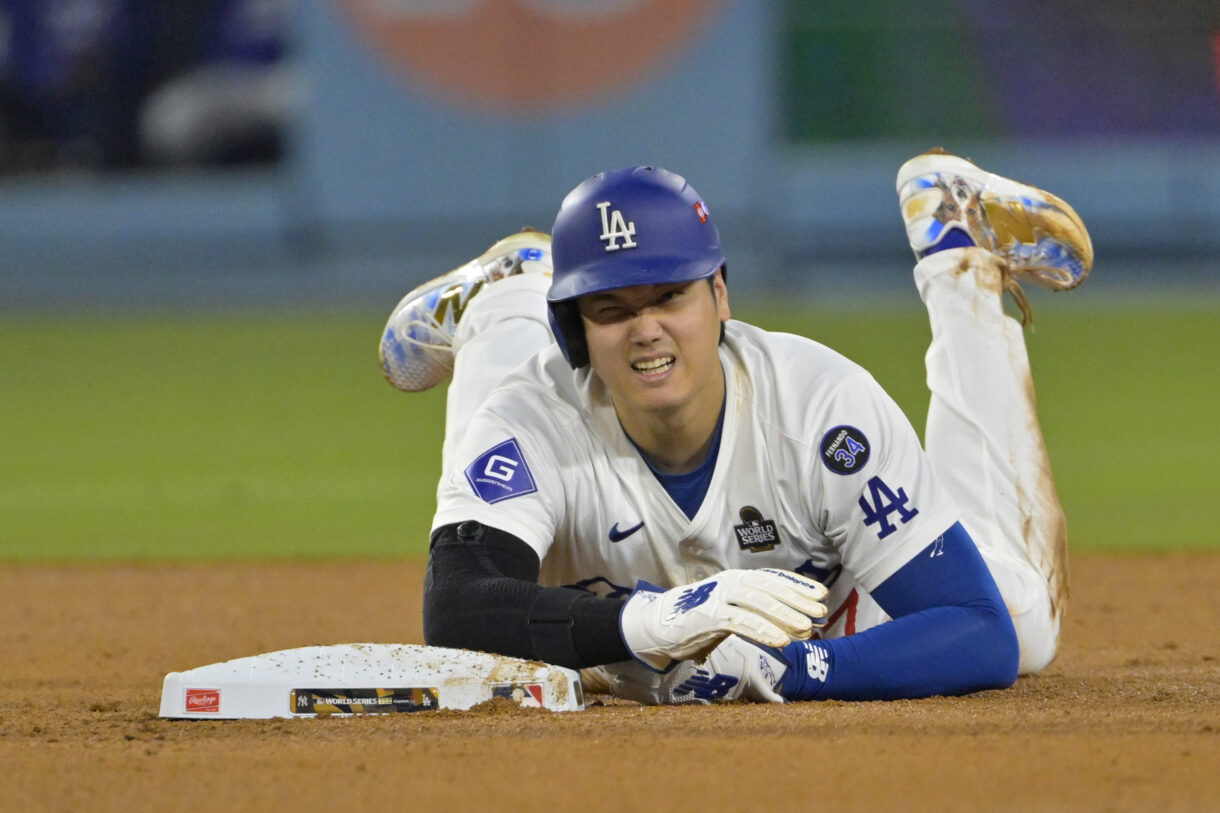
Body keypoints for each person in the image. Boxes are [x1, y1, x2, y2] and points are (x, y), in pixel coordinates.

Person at [377, 150, 1092, 703]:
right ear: (575, 327)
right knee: (512, 419)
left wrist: (792, 667)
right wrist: (655, 622)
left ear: (719, 294)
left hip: (841, 611)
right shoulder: (535, 413)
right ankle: (506, 301)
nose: (647, 329)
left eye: (669, 295)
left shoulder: (819, 406)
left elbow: (979, 630)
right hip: (609, 577)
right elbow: (457, 608)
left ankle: (958, 249)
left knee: (1025, 622)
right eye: (611, 308)